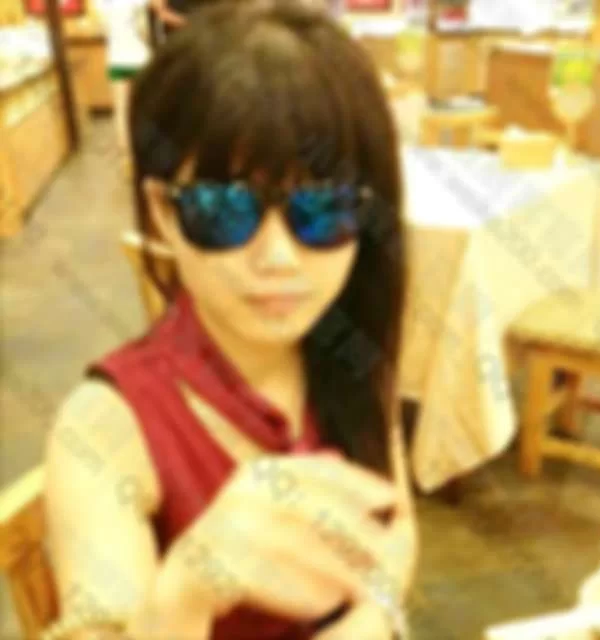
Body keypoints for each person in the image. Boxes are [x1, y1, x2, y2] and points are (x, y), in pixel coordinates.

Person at [43, 1, 417, 639]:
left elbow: (397, 525)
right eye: (225, 211)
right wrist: (188, 587)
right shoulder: (106, 427)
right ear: (163, 213)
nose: (278, 258)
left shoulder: (349, 346)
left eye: (321, 209)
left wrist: (373, 616)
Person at [95, 0, 152, 175]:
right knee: (142, 109)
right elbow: (144, 30)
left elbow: (102, 29)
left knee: (121, 110)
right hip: (140, 58)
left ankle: (127, 158)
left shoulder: (102, 3)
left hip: (116, 59)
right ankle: (145, 152)